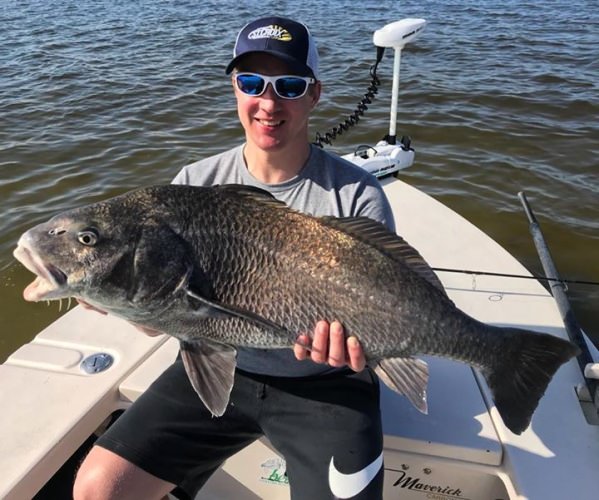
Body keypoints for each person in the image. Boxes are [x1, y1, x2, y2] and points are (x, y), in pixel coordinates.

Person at [74, 16, 395, 500]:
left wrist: (359, 351)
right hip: (215, 364)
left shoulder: (356, 196)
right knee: (98, 488)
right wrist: (115, 296)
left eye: (288, 85)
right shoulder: (192, 185)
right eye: (251, 83)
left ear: (314, 95)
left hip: (325, 385)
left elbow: (386, 309)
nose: (268, 103)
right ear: (234, 89)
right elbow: (160, 320)